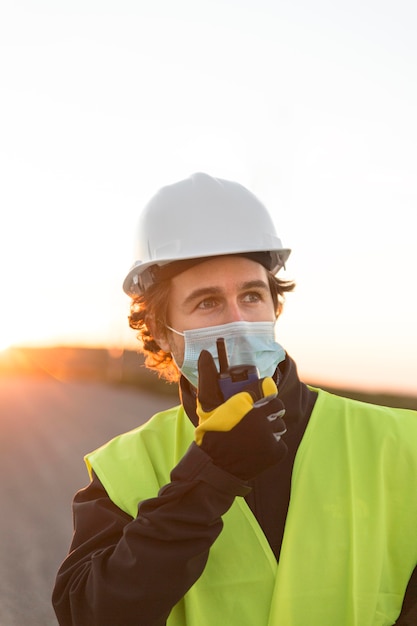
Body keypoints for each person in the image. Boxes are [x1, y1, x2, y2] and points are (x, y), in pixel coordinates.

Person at [53, 172, 417, 626]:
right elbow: (88, 614)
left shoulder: (404, 443)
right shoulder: (124, 467)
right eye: (207, 302)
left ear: (275, 306)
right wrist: (211, 476)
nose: (240, 320)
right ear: (163, 332)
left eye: (251, 295)